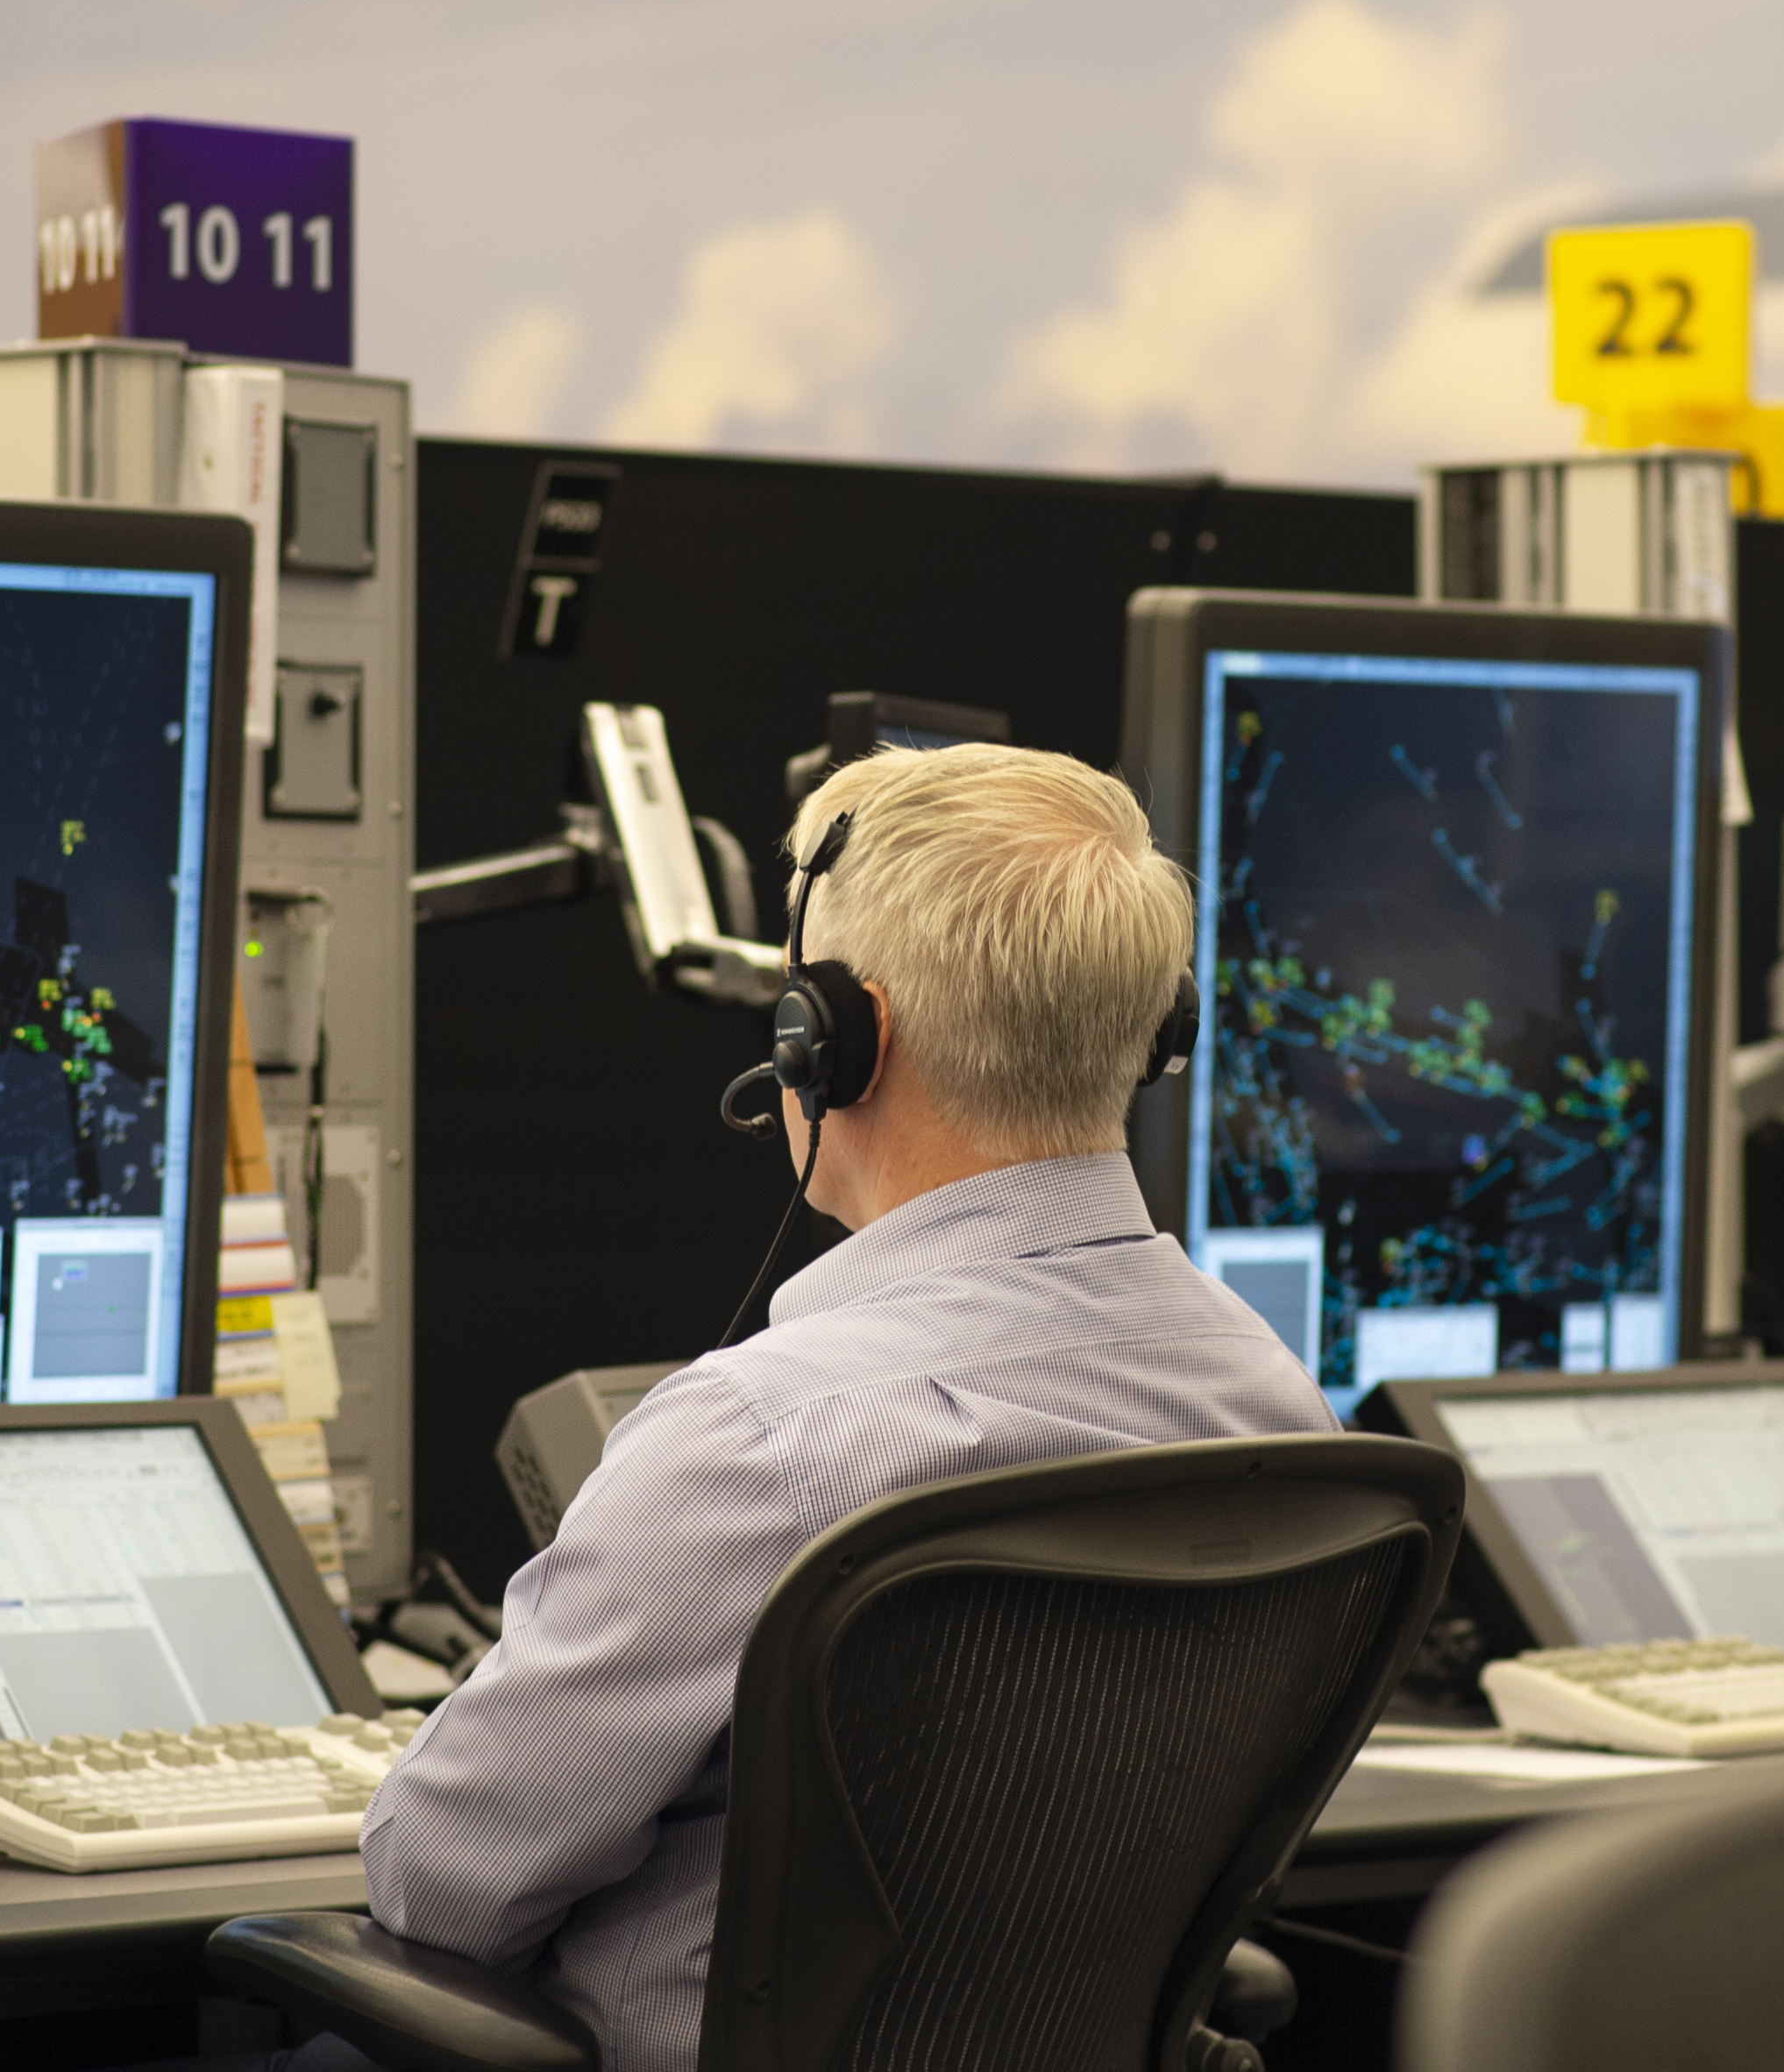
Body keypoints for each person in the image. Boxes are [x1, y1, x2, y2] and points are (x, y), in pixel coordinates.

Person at [345, 742, 1336, 2069]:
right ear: (1159, 1036)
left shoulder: (762, 1445)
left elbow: (442, 1886)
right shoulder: (1283, 1414)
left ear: (836, 1037)